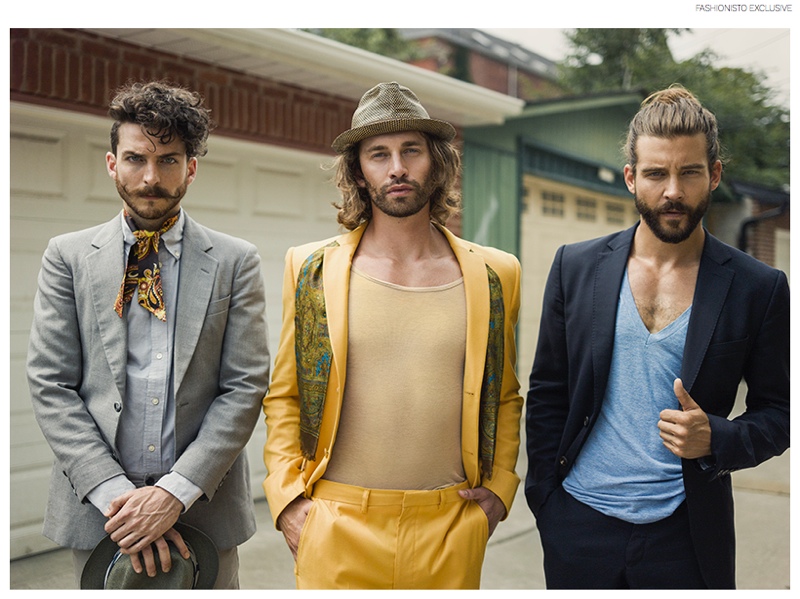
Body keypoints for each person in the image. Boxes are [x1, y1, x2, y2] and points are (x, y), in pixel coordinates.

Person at [524, 85, 790, 589]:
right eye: (655, 173)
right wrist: (547, 502)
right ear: (631, 178)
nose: (673, 190)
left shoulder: (760, 287)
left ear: (713, 175)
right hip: (580, 524)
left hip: (687, 534)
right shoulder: (575, 267)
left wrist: (719, 437)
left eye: (689, 172)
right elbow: (548, 393)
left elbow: (780, 412)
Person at [262, 81, 523, 589]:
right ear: (359, 172)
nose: (397, 168)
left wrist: (499, 491)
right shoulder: (310, 267)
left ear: (437, 162)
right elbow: (285, 394)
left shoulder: (496, 273)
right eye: (378, 154)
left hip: (451, 524)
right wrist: (288, 499)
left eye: (411, 151)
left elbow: (506, 394)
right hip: (336, 522)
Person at [27, 81, 270, 589]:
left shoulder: (234, 260)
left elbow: (244, 386)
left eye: (169, 161)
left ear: (192, 168)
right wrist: (119, 497)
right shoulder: (67, 257)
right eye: (136, 159)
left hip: (205, 508)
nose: (151, 178)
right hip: (101, 514)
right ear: (112, 163)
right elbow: (51, 384)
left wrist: (173, 494)